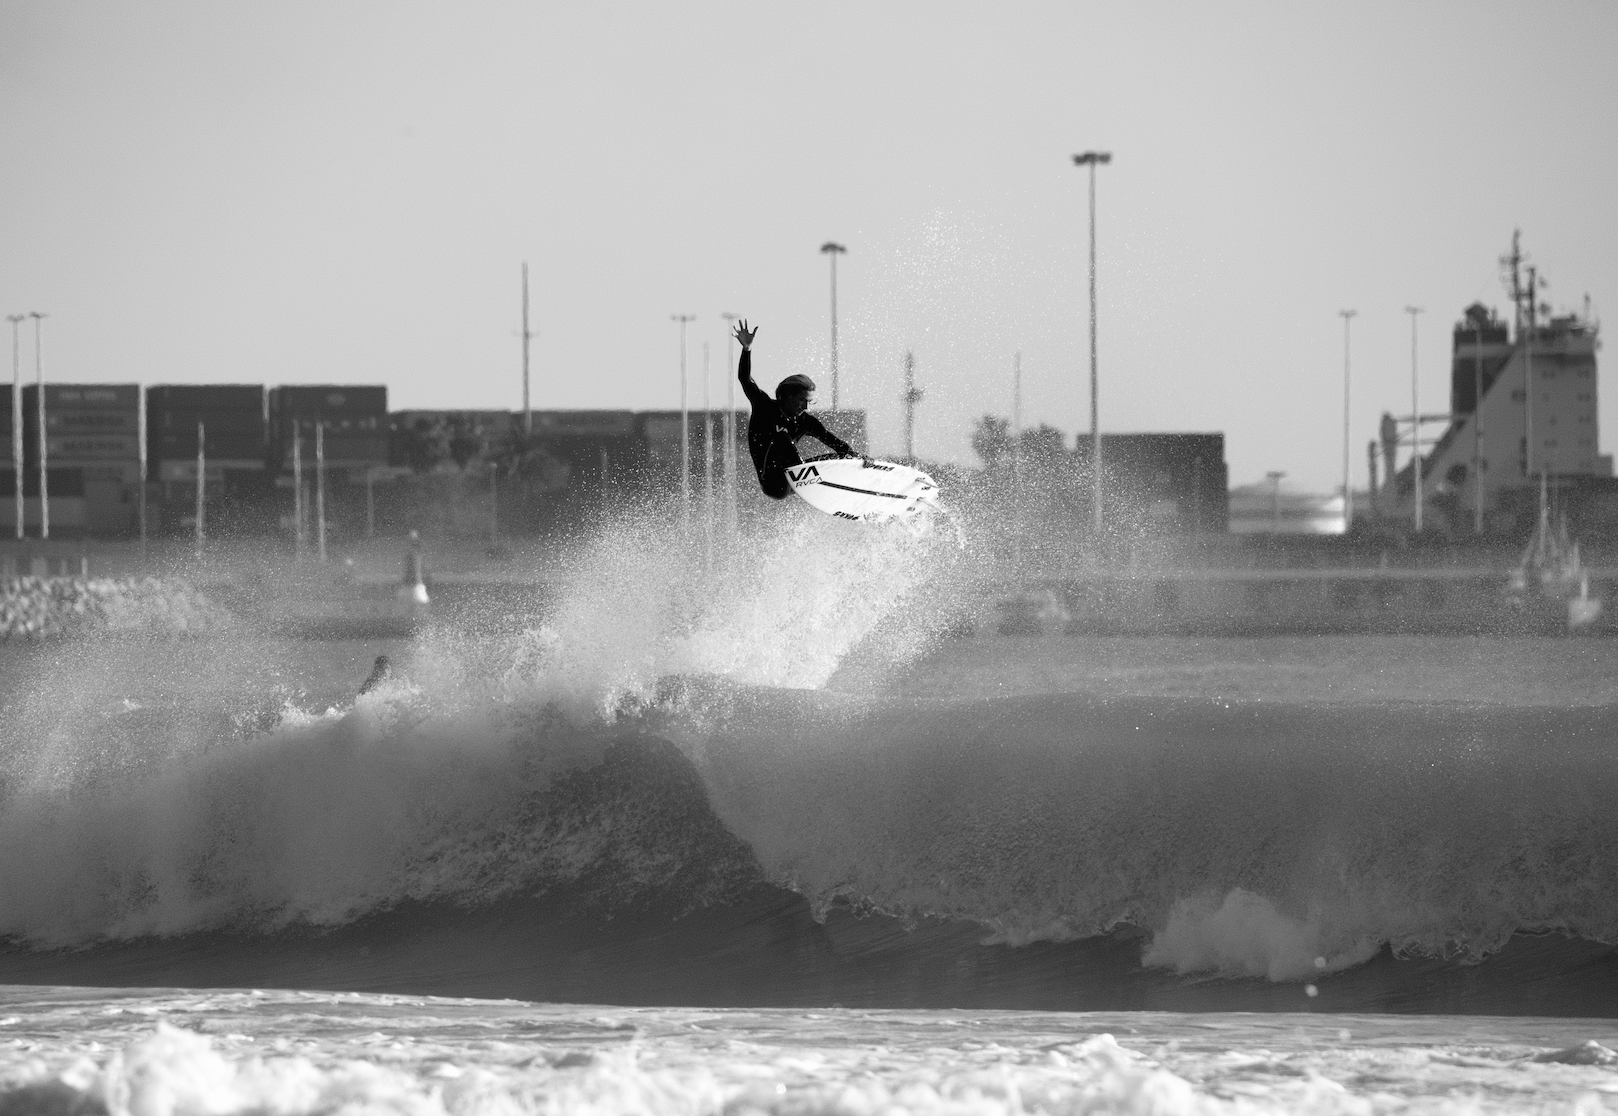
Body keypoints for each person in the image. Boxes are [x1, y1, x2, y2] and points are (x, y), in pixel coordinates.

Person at [732, 319, 864, 499]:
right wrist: (746, 349)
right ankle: (808, 478)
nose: (806, 407)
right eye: (802, 401)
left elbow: (833, 441)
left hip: (795, 479)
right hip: (773, 483)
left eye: (810, 402)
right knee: (781, 438)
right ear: (788, 396)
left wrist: (855, 458)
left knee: (839, 458)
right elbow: (745, 379)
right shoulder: (764, 406)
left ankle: (855, 483)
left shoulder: (804, 421)